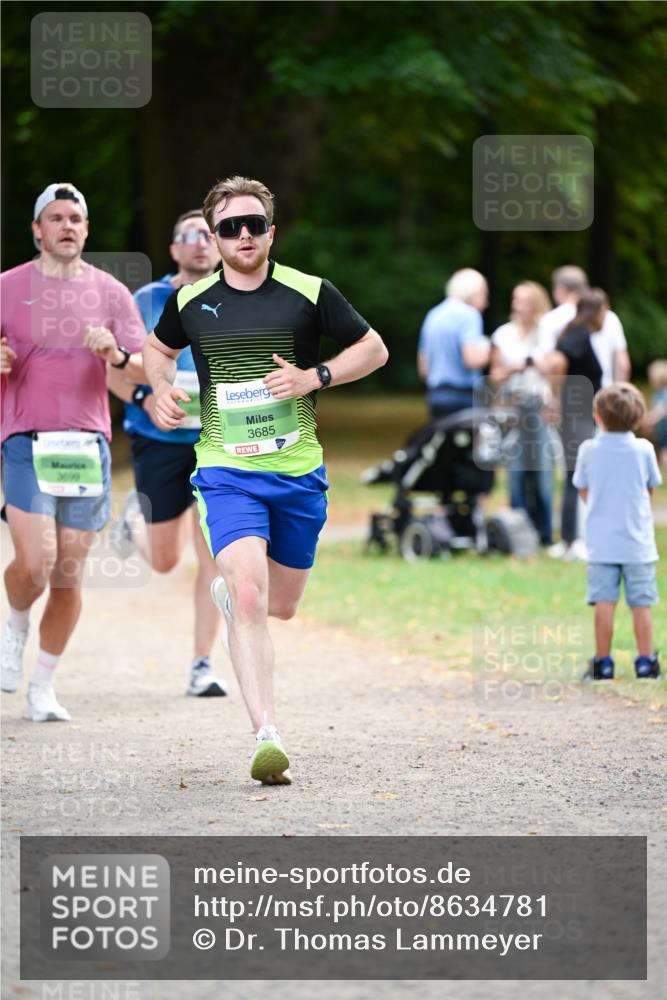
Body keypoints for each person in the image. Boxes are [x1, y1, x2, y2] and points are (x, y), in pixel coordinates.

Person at [141, 175, 388, 784]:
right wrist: (159, 391)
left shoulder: (309, 292)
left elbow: (375, 349)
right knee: (248, 593)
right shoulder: (191, 302)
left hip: (298, 471)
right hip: (226, 471)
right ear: (214, 236)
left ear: (271, 232)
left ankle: (237, 596)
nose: (243, 234)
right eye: (230, 227)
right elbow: (154, 348)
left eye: (254, 224)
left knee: (283, 604)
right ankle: (267, 735)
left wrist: (316, 377)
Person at [0, 183, 145, 720]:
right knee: (35, 563)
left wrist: (118, 352)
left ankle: (43, 687)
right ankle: (14, 627)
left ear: (85, 229)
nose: (66, 226)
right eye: (55, 217)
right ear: (37, 229)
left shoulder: (111, 293)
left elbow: (143, 364)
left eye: (75, 219)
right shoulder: (7, 287)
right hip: (25, 439)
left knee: (68, 573)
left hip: (87, 444)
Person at [108, 210, 226, 698]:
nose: (200, 244)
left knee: (213, 556)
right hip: (159, 440)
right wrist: (147, 399)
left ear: (219, 247)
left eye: (208, 235)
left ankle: (202, 664)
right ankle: (134, 521)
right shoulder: (146, 300)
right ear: (174, 249)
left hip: (216, 442)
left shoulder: (236, 298)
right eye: (188, 237)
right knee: (163, 561)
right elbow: (114, 369)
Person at [573, 383, 661, 680]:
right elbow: (648, 489)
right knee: (641, 605)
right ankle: (646, 663)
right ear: (638, 417)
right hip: (638, 544)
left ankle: (602, 663)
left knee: (604, 603)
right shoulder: (644, 449)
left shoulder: (588, 450)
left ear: (598, 416)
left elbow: (584, 490)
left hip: (601, 544)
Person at [537, 290, 606, 561]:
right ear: (597, 311)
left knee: (572, 476)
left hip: (575, 416)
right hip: (577, 417)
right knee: (578, 476)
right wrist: (555, 398)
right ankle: (575, 539)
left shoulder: (571, 330)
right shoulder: (580, 334)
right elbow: (557, 362)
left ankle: (569, 539)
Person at [489, 282, 555, 545]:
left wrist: (536, 364)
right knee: (515, 472)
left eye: (525, 301)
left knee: (541, 472)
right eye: (516, 300)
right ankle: (521, 533)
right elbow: (494, 375)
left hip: (539, 408)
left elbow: (556, 367)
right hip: (512, 408)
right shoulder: (503, 335)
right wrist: (511, 369)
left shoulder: (547, 333)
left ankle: (546, 533)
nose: (518, 306)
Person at [538, 266, 630, 386]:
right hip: (604, 392)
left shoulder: (551, 319)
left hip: (572, 395)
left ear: (560, 289)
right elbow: (623, 365)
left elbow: (551, 363)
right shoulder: (610, 317)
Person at [417, 268, 490, 419]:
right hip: (463, 398)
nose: (486, 303)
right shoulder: (470, 315)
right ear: (473, 292)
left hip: (436, 396)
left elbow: (424, 368)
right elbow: (471, 360)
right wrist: (489, 350)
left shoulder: (433, 315)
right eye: (484, 294)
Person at [643, 359, 667, 471]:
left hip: (665, 429)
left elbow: (661, 410)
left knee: (664, 452)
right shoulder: (657, 393)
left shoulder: (664, 392)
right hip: (661, 429)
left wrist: (649, 420)